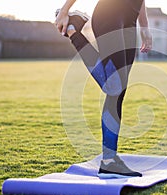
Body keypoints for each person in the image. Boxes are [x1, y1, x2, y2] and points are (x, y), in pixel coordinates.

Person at [55, 0, 152, 178]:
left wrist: (144, 27)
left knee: (118, 93)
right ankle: (73, 31)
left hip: (129, 23)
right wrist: (64, 10)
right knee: (114, 86)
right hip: (110, 14)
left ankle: (109, 162)